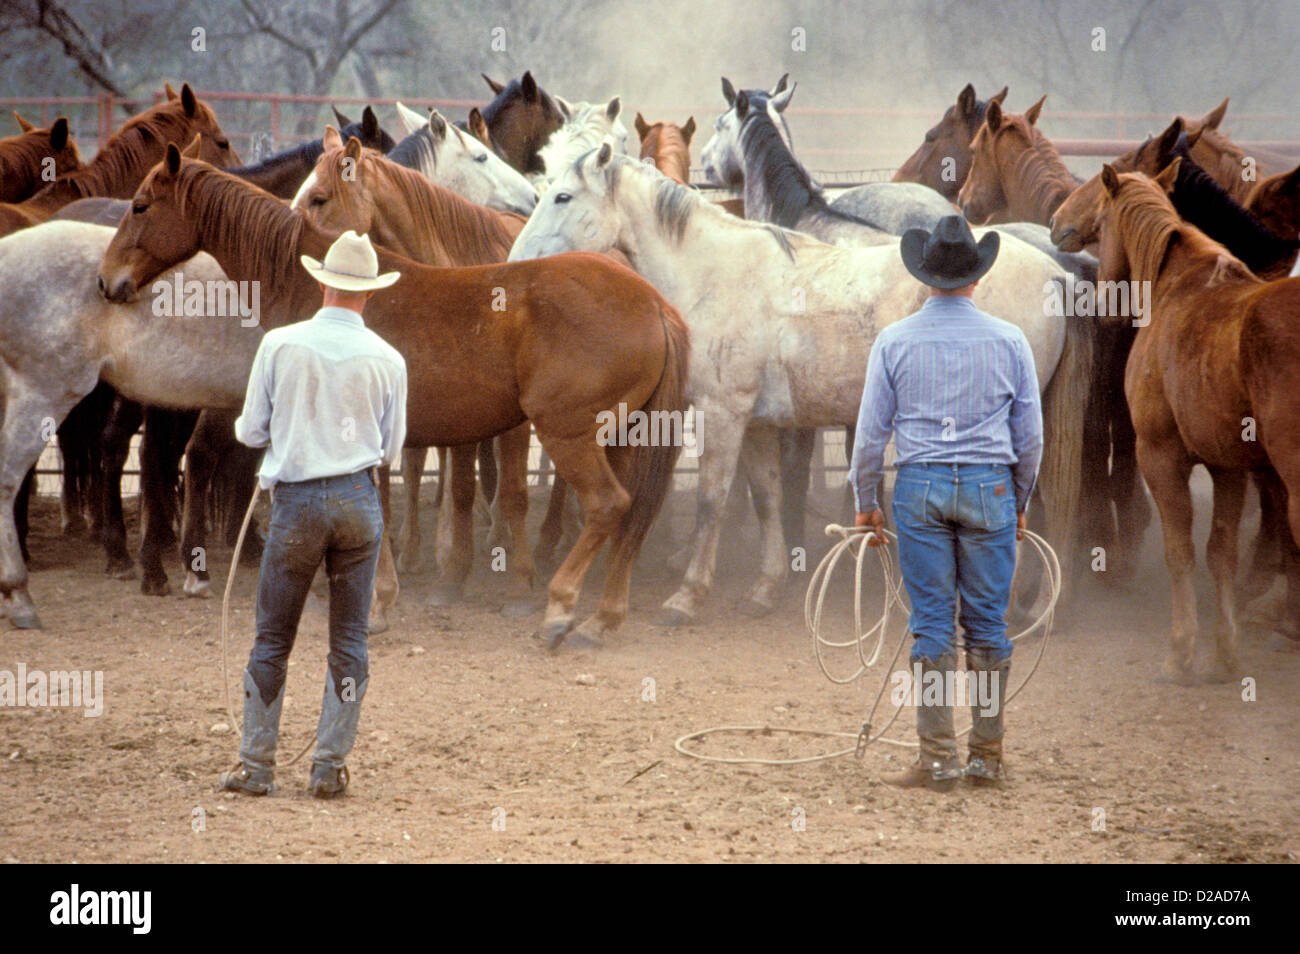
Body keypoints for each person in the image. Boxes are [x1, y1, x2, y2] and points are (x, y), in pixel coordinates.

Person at [848, 215, 1043, 792]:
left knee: (932, 623)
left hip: (919, 487)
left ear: (925, 278)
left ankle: (937, 759)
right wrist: (1020, 499)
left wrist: (866, 500)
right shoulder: (1010, 340)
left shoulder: (894, 340)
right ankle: (986, 757)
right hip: (991, 489)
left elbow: (868, 436)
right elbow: (1030, 437)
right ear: (975, 279)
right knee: (987, 623)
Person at [220, 230, 407, 798]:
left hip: (297, 503)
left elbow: (251, 431)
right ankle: (328, 767)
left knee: (273, 636)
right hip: (359, 501)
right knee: (350, 639)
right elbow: (392, 450)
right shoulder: (390, 360)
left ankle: (257, 766)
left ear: (323, 282)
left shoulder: (280, 345)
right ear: (368, 294)